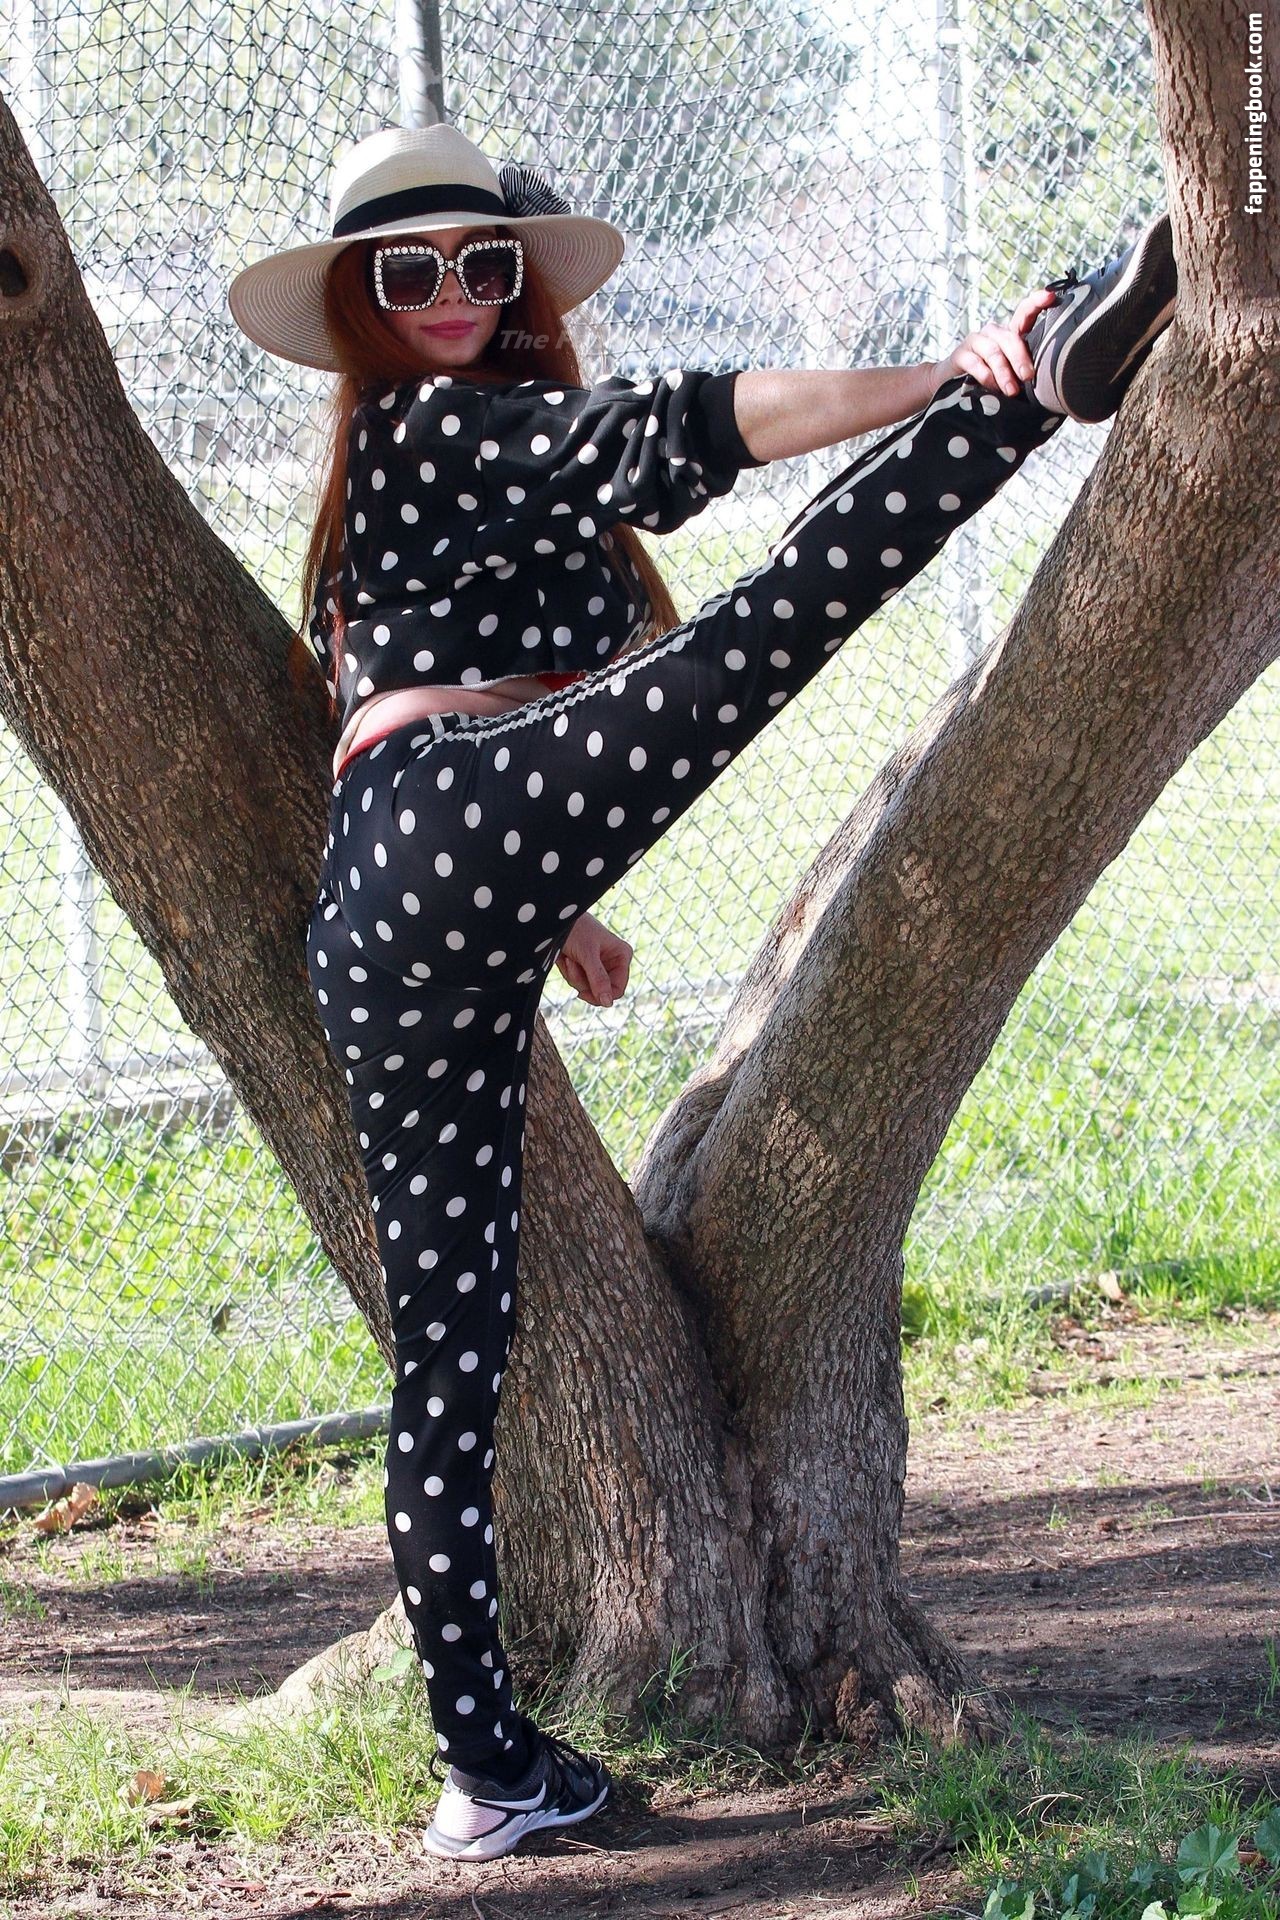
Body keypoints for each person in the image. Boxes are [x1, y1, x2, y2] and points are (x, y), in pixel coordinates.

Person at [228, 122, 1177, 1861]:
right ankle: (1035, 371)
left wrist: (549, 909)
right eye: (409, 271)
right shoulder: (432, 424)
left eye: (484, 264)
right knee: (773, 627)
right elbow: (681, 440)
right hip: (447, 835)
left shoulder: (435, 467)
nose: (450, 294)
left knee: (456, 1353)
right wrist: (939, 373)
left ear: (519, 283)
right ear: (359, 299)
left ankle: (482, 1771)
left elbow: (438, 682)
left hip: (403, 910)